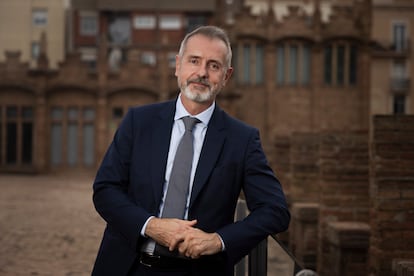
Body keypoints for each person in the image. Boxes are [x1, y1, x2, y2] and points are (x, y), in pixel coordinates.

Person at [92, 25, 290, 276]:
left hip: (199, 271)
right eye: (194, 61)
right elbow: (105, 190)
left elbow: (275, 211)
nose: (202, 73)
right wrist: (151, 226)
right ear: (178, 65)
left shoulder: (242, 139)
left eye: (213, 65)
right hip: (129, 266)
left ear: (226, 76)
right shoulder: (138, 122)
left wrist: (218, 240)